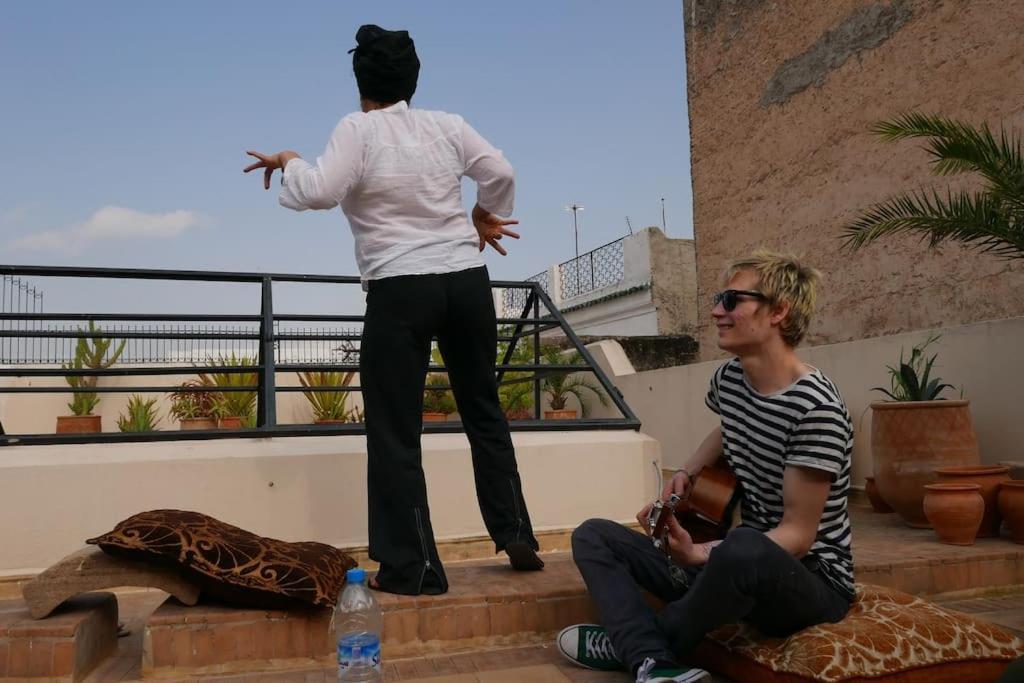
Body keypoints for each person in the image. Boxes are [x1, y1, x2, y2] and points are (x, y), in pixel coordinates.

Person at [244, 24, 543, 596]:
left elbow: (321, 190)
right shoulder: (447, 125)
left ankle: (415, 568)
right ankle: (514, 531)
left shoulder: (357, 129)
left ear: (360, 84)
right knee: (483, 409)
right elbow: (500, 173)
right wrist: (487, 213)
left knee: (394, 430)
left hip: (401, 289)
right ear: (413, 79)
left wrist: (289, 160)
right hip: (465, 281)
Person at [556, 250, 855, 683]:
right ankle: (650, 660)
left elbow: (797, 536)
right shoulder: (729, 379)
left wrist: (699, 553)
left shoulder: (816, 409)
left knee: (744, 547)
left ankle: (643, 649)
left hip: (808, 581)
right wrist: (689, 473)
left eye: (732, 300)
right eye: (719, 298)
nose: (716, 310)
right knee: (594, 535)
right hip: (734, 567)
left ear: (779, 311)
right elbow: (725, 429)